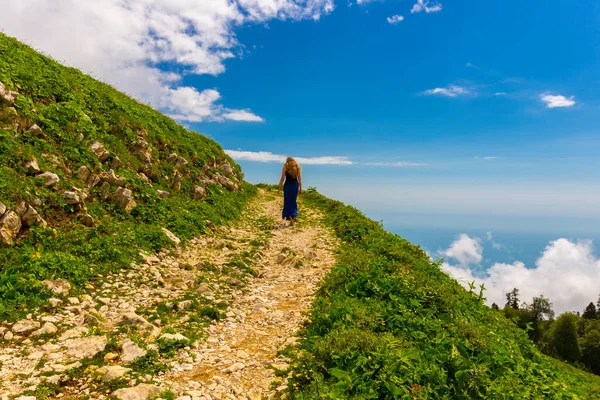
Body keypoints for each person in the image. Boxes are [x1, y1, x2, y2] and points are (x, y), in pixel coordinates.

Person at [278, 157, 302, 226]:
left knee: (288, 202)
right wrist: (300, 188)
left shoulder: (286, 166)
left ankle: (291, 218)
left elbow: (282, 178)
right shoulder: (297, 167)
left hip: (288, 186)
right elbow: (300, 179)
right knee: (293, 201)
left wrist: (279, 188)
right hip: (295, 186)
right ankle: (294, 215)